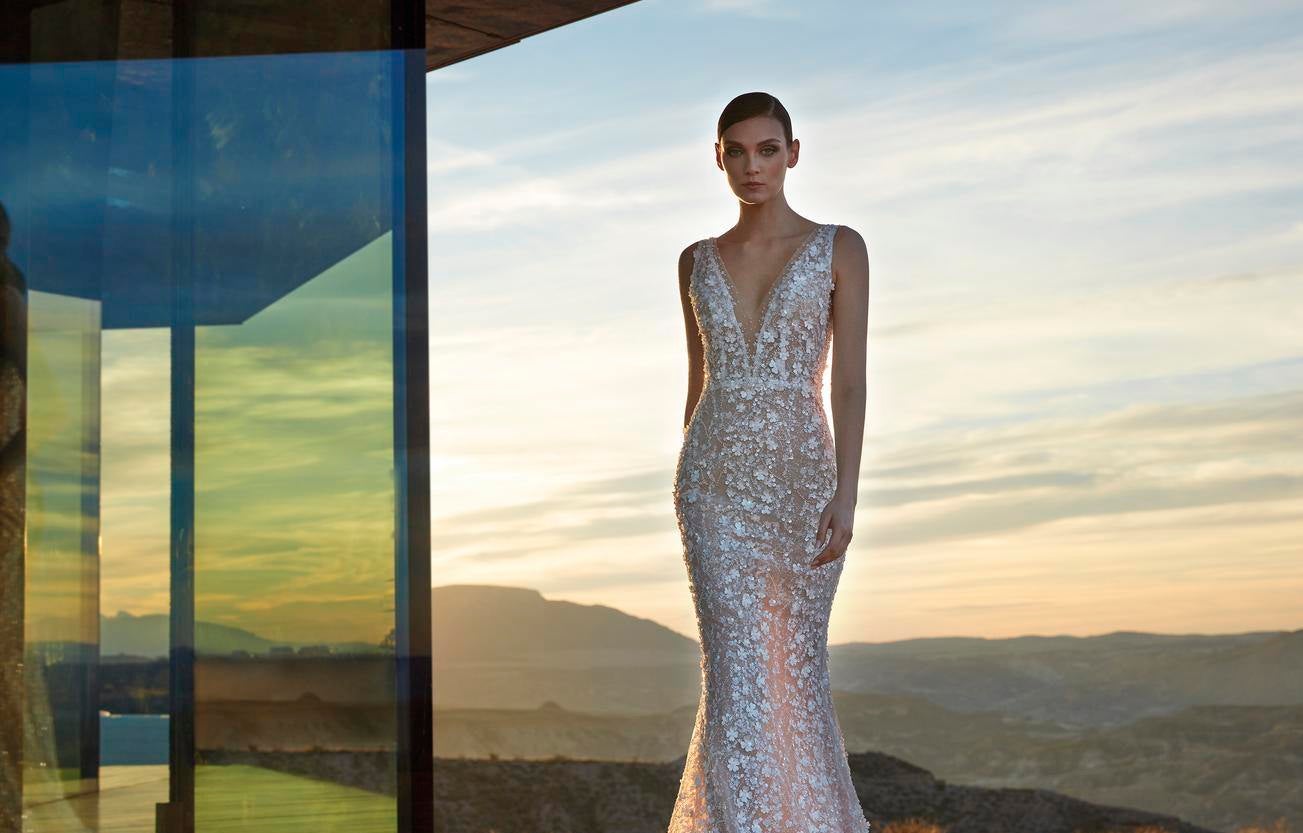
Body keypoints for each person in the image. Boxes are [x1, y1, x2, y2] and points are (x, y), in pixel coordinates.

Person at [668, 92, 872, 832]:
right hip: (712, 486)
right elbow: (699, 382)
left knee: (793, 673)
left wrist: (846, 494)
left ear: (793, 153)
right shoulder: (696, 260)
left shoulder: (839, 247)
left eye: (767, 149)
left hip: (801, 484)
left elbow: (848, 382)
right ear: (717, 158)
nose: (752, 165)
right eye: (737, 151)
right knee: (735, 676)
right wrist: (689, 480)